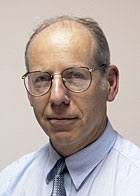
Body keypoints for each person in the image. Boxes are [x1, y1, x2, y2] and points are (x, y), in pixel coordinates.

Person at [0, 15, 140, 196]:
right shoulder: (8, 184)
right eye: (42, 79)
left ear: (110, 83)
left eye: (75, 76)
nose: (57, 97)